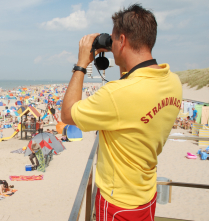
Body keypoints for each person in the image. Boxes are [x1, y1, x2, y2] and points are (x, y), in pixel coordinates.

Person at [61, 4, 182, 220]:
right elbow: (134, 83)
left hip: (118, 203)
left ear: (123, 41)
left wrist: (81, 63)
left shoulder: (116, 95)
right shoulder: (172, 81)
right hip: (146, 194)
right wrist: (121, 55)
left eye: (115, 40)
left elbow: (68, 114)